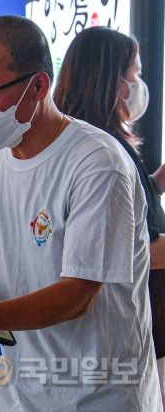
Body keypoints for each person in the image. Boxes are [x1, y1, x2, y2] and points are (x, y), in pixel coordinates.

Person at [0, 16, 162, 411]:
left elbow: (78, 294)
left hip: (97, 390)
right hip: (19, 385)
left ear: (38, 86)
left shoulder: (96, 163)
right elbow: (0, 237)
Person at [54, 26, 165, 408]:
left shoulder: (80, 142)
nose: (138, 86)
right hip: (123, 328)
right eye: (134, 75)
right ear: (112, 81)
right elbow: (144, 246)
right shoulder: (108, 154)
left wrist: (156, 183)